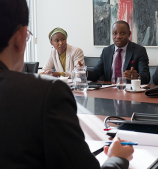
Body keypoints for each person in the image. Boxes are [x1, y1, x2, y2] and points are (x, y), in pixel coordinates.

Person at [0, 0, 133, 168]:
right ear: (21, 37)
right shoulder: (47, 93)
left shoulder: (75, 51)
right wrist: (117, 158)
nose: (60, 43)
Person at [85, 21, 150, 84]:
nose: (118, 36)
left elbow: (146, 77)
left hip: (129, 90)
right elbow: (96, 73)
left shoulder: (139, 51)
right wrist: (84, 73)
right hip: (109, 91)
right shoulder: (106, 51)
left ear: (129, 34)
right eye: (115, 33)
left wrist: (137, 77)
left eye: (122, 33)